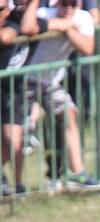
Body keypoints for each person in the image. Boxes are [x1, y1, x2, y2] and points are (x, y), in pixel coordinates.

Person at [26, 0, 100, 192]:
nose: (68, 7)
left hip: (49, 82)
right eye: (64, 3)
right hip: (22, 79)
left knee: (70, 114)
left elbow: (87, 47)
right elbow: (29, 26)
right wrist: (64, 25)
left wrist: (68, 30)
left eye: (73, 3)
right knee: (13, 137)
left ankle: (78, 173)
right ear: (56, 4)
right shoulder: (44, 13)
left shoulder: (83, 17)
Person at [1, 0, 39, 196]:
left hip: (12, 90)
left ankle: (18, 184)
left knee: (13, 143)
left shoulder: (16, 21)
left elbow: (8, 36)